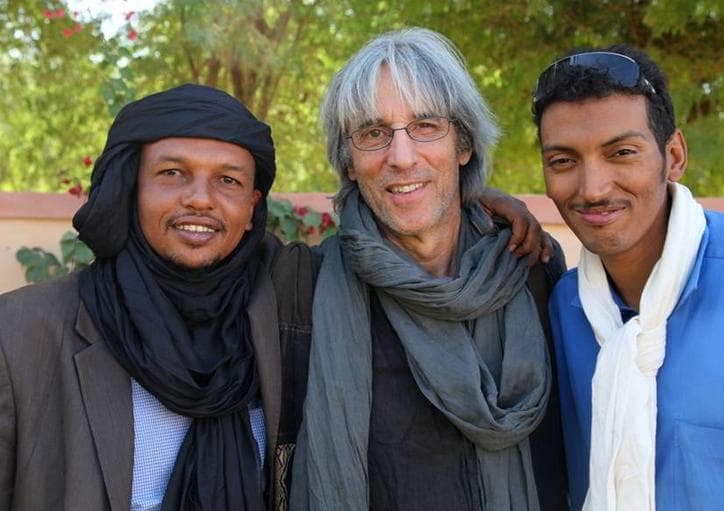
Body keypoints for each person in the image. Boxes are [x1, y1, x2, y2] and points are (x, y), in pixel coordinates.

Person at [0, 84, 317, 510]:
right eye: (172, 173)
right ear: (131, 189)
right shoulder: (20, 334)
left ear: (251, 209)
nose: (201, 199)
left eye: (228, 180)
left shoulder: (285, 323)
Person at [291, 28, 568, 511]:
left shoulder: (533, 271)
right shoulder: (304, 289)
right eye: (374, 133)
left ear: (463, 145)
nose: (401, 157)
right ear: (350, 162)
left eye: (426, 127)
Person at [533, 45, 724, 510]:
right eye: (563, 161)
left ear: (674, 154)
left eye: (621, 152)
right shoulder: (564, 308)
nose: (593, 188)